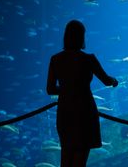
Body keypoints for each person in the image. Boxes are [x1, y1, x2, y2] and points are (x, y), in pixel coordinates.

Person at [46, 20, 118, 167]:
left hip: (65, 110)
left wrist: (67, 89)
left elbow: (50, 89)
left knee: (66, 155)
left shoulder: (56, 59)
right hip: (85, 110)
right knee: (81, 157)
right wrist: (114, 80)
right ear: (82, 37)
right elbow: (106, 80)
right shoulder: (88, 59)